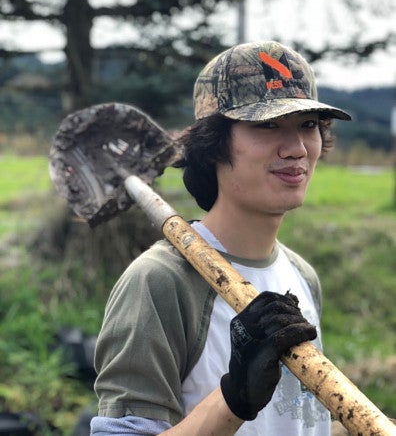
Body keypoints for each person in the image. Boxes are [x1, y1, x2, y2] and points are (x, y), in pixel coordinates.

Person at [90, 40, 351, 436]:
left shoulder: (301, 276)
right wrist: (233, 399)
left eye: (308, 125)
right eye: (267, 125)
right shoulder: (162, 282)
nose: (297, 148)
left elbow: (291, 421)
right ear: (212, 144)